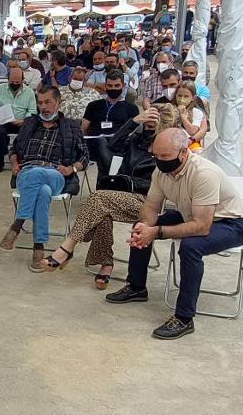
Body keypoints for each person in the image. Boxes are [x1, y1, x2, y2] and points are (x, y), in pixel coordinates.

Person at [104, 129, 243, 339]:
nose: (159, 161)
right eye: (156, 155)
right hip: (190, 214)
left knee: (191, 247)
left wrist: (157, 232)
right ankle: (136, 286)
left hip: (230, 222)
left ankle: (184, 318)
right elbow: (151, 207)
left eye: (165, 156)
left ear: (183, 153)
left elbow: (202, 226)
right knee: (141, 225)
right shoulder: (161, 172)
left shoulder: (204, 173)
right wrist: (145, 227)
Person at [36, 104, 178, 288]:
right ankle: (106, 264)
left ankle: (67, 248)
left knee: (99, 198)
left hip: (148, 203)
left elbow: (161, 186)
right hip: (121, 195)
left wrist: (131, 182)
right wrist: (134, 122)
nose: (148, 128)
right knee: (103, 208)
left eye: (153, 125)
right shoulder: (138, 139)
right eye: (147, 124)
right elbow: (112, 145)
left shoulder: (168, 150)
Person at [0, 85, 89, 268]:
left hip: (56, 173)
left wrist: (71, 169)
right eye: (40, 103)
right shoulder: (30, 123)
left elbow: (85, 156)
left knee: (41, 177)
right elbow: (14, 149)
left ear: (58, 102)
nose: (43, 107)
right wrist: (15, 164)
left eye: (48, 102)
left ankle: (18, 224)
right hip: (26, 171)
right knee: (43, 191)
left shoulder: (71, 126)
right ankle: (38, 246)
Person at [81, 70, 139, 179]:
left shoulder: (131, 108)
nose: (113, 89)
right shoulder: (93, 105)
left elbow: (134, 132)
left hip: (120, 146)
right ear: (105, 86)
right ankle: (112, 175)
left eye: (117, 85)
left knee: (108, 145)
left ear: (124, 85)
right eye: (110, 85)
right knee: (101, 140)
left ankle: (106, 179)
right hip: (94, 145)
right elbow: (83, 129)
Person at [0, 66, 37, 172]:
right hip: (3, 121)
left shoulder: (29, 92)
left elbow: (32, 111)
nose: (15, 84)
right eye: (12, 81)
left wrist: (24, 121)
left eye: (18, 82)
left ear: (22, 80)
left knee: (29, 132)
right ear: (8, 79)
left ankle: (21, 160)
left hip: (21, 121)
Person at [173, 81, 209, 151]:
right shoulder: (170, 109)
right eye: (179, 96)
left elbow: (193, 132)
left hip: (190, 144)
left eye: (186, 96)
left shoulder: (196, 112)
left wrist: (183, 117)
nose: (181, 99)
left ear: (193, 98)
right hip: (172, 143)